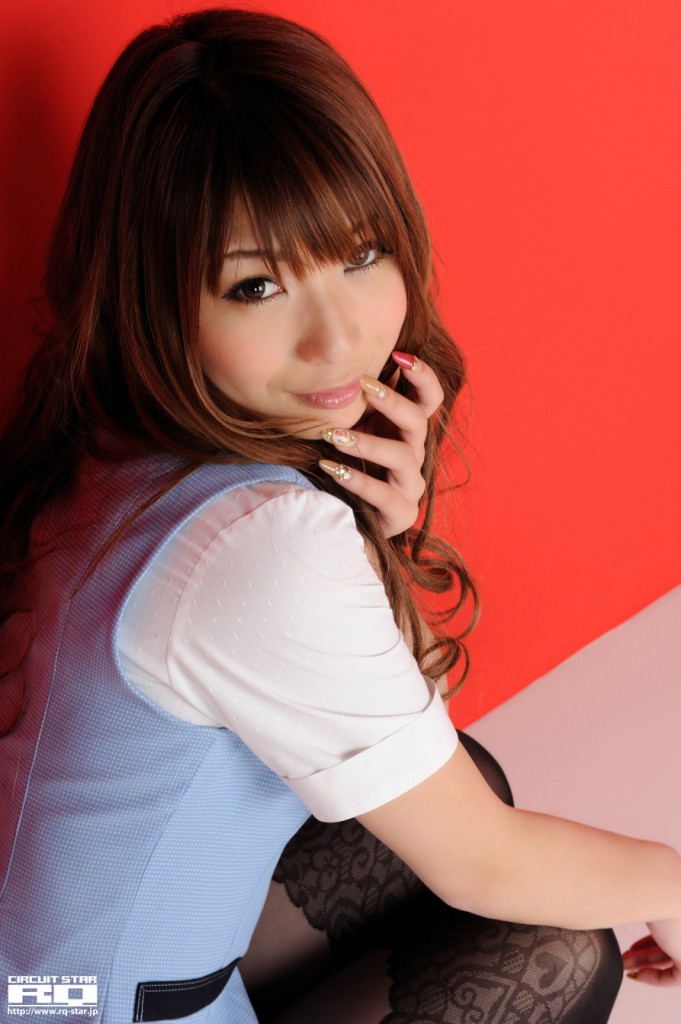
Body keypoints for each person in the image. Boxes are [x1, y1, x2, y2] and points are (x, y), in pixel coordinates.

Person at [0, 8, 679, 1023]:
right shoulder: (260, 545)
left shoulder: (110, 430)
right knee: (560, 958)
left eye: (360, 255)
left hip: (33, 976)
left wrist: (372, 531)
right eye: (256, 284)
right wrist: (673, 882)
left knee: (461, 777)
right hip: (80, 1009)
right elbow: (485, 865)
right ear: (154, 299)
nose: (340, 339)